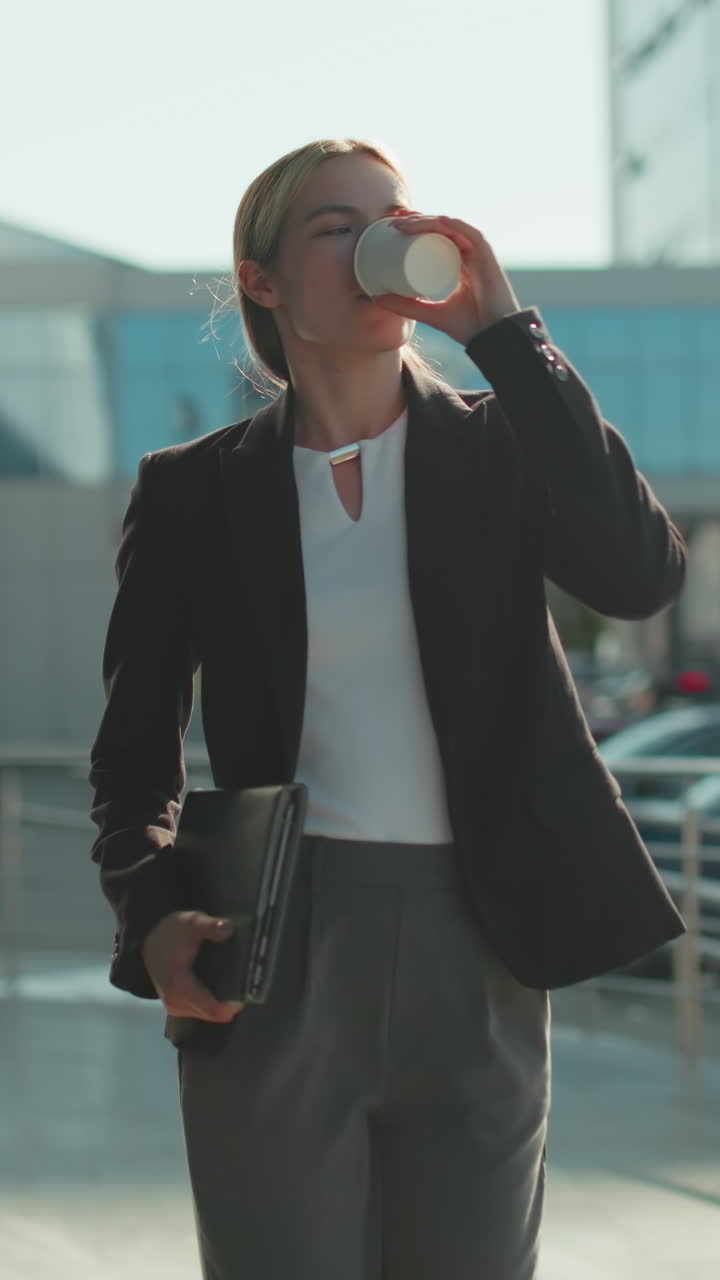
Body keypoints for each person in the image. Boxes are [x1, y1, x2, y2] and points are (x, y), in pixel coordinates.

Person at [89, 137, 687, 1280]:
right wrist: (150, 906)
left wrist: (505, 335)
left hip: (485, 936)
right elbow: (132, 749)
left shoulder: (500, 444)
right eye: (338, 227)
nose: (379, 247)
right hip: (275, 944)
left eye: (396, 221)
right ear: (262, 279)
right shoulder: (194, 490)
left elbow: (640, 575)